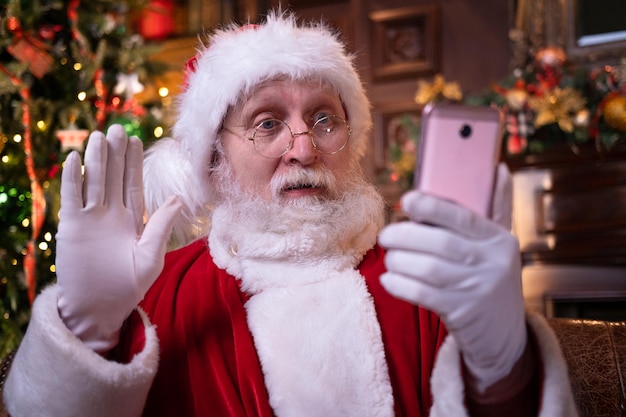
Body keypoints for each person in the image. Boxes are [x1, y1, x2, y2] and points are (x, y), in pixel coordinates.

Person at [2, 11, 577, 417]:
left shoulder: (426, 280)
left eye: (325, 119)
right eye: (267, 123)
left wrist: (504, 368)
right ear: (214, 156)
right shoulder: (155, 295)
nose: (302, 148)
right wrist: (89, 332)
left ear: (352, 142)